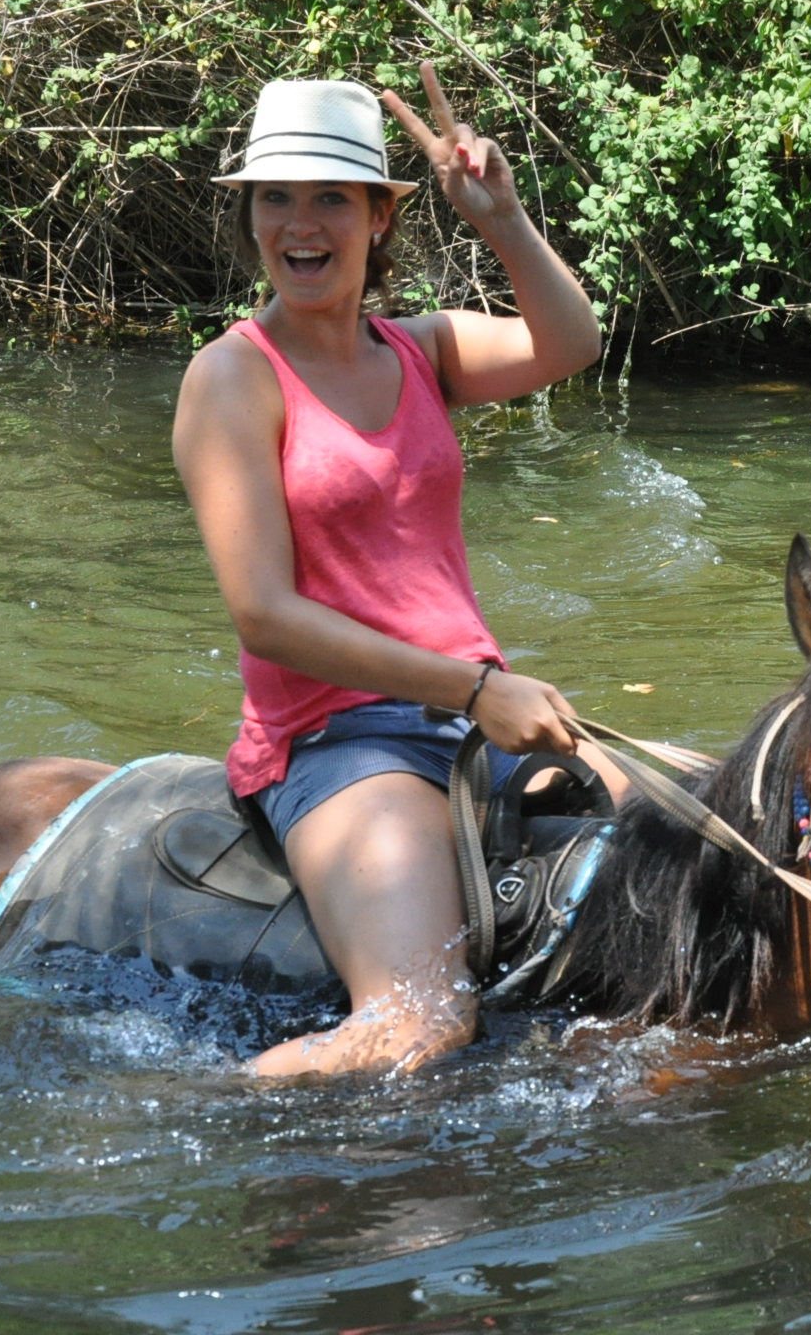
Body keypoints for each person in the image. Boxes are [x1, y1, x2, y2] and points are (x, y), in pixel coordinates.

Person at [172, 66, 605, 1081]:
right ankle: (171, 1107)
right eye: (274, 196)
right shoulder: (230, 375)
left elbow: (572, 343)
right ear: (249, 217)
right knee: (417, 1023)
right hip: (333, 738)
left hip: (463, 718)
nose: (299, 221)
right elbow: (264, 613)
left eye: (330, 196)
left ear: (377, 216)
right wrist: (475, 687)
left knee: (704, 845)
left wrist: (499, 219)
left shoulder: (422, 350)